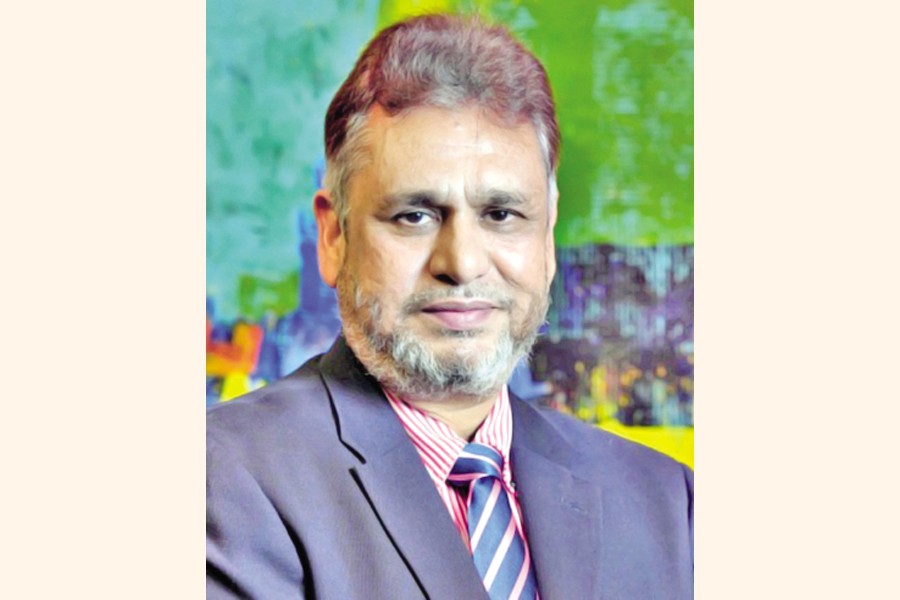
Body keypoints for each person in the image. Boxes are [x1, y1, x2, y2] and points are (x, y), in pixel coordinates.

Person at [207, 13, 693, 600]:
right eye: (414, 215)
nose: (461, 263)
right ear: (333, 237)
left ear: (547, 236)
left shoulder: (670, 504)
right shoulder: (221, 480)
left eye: (502, 214)